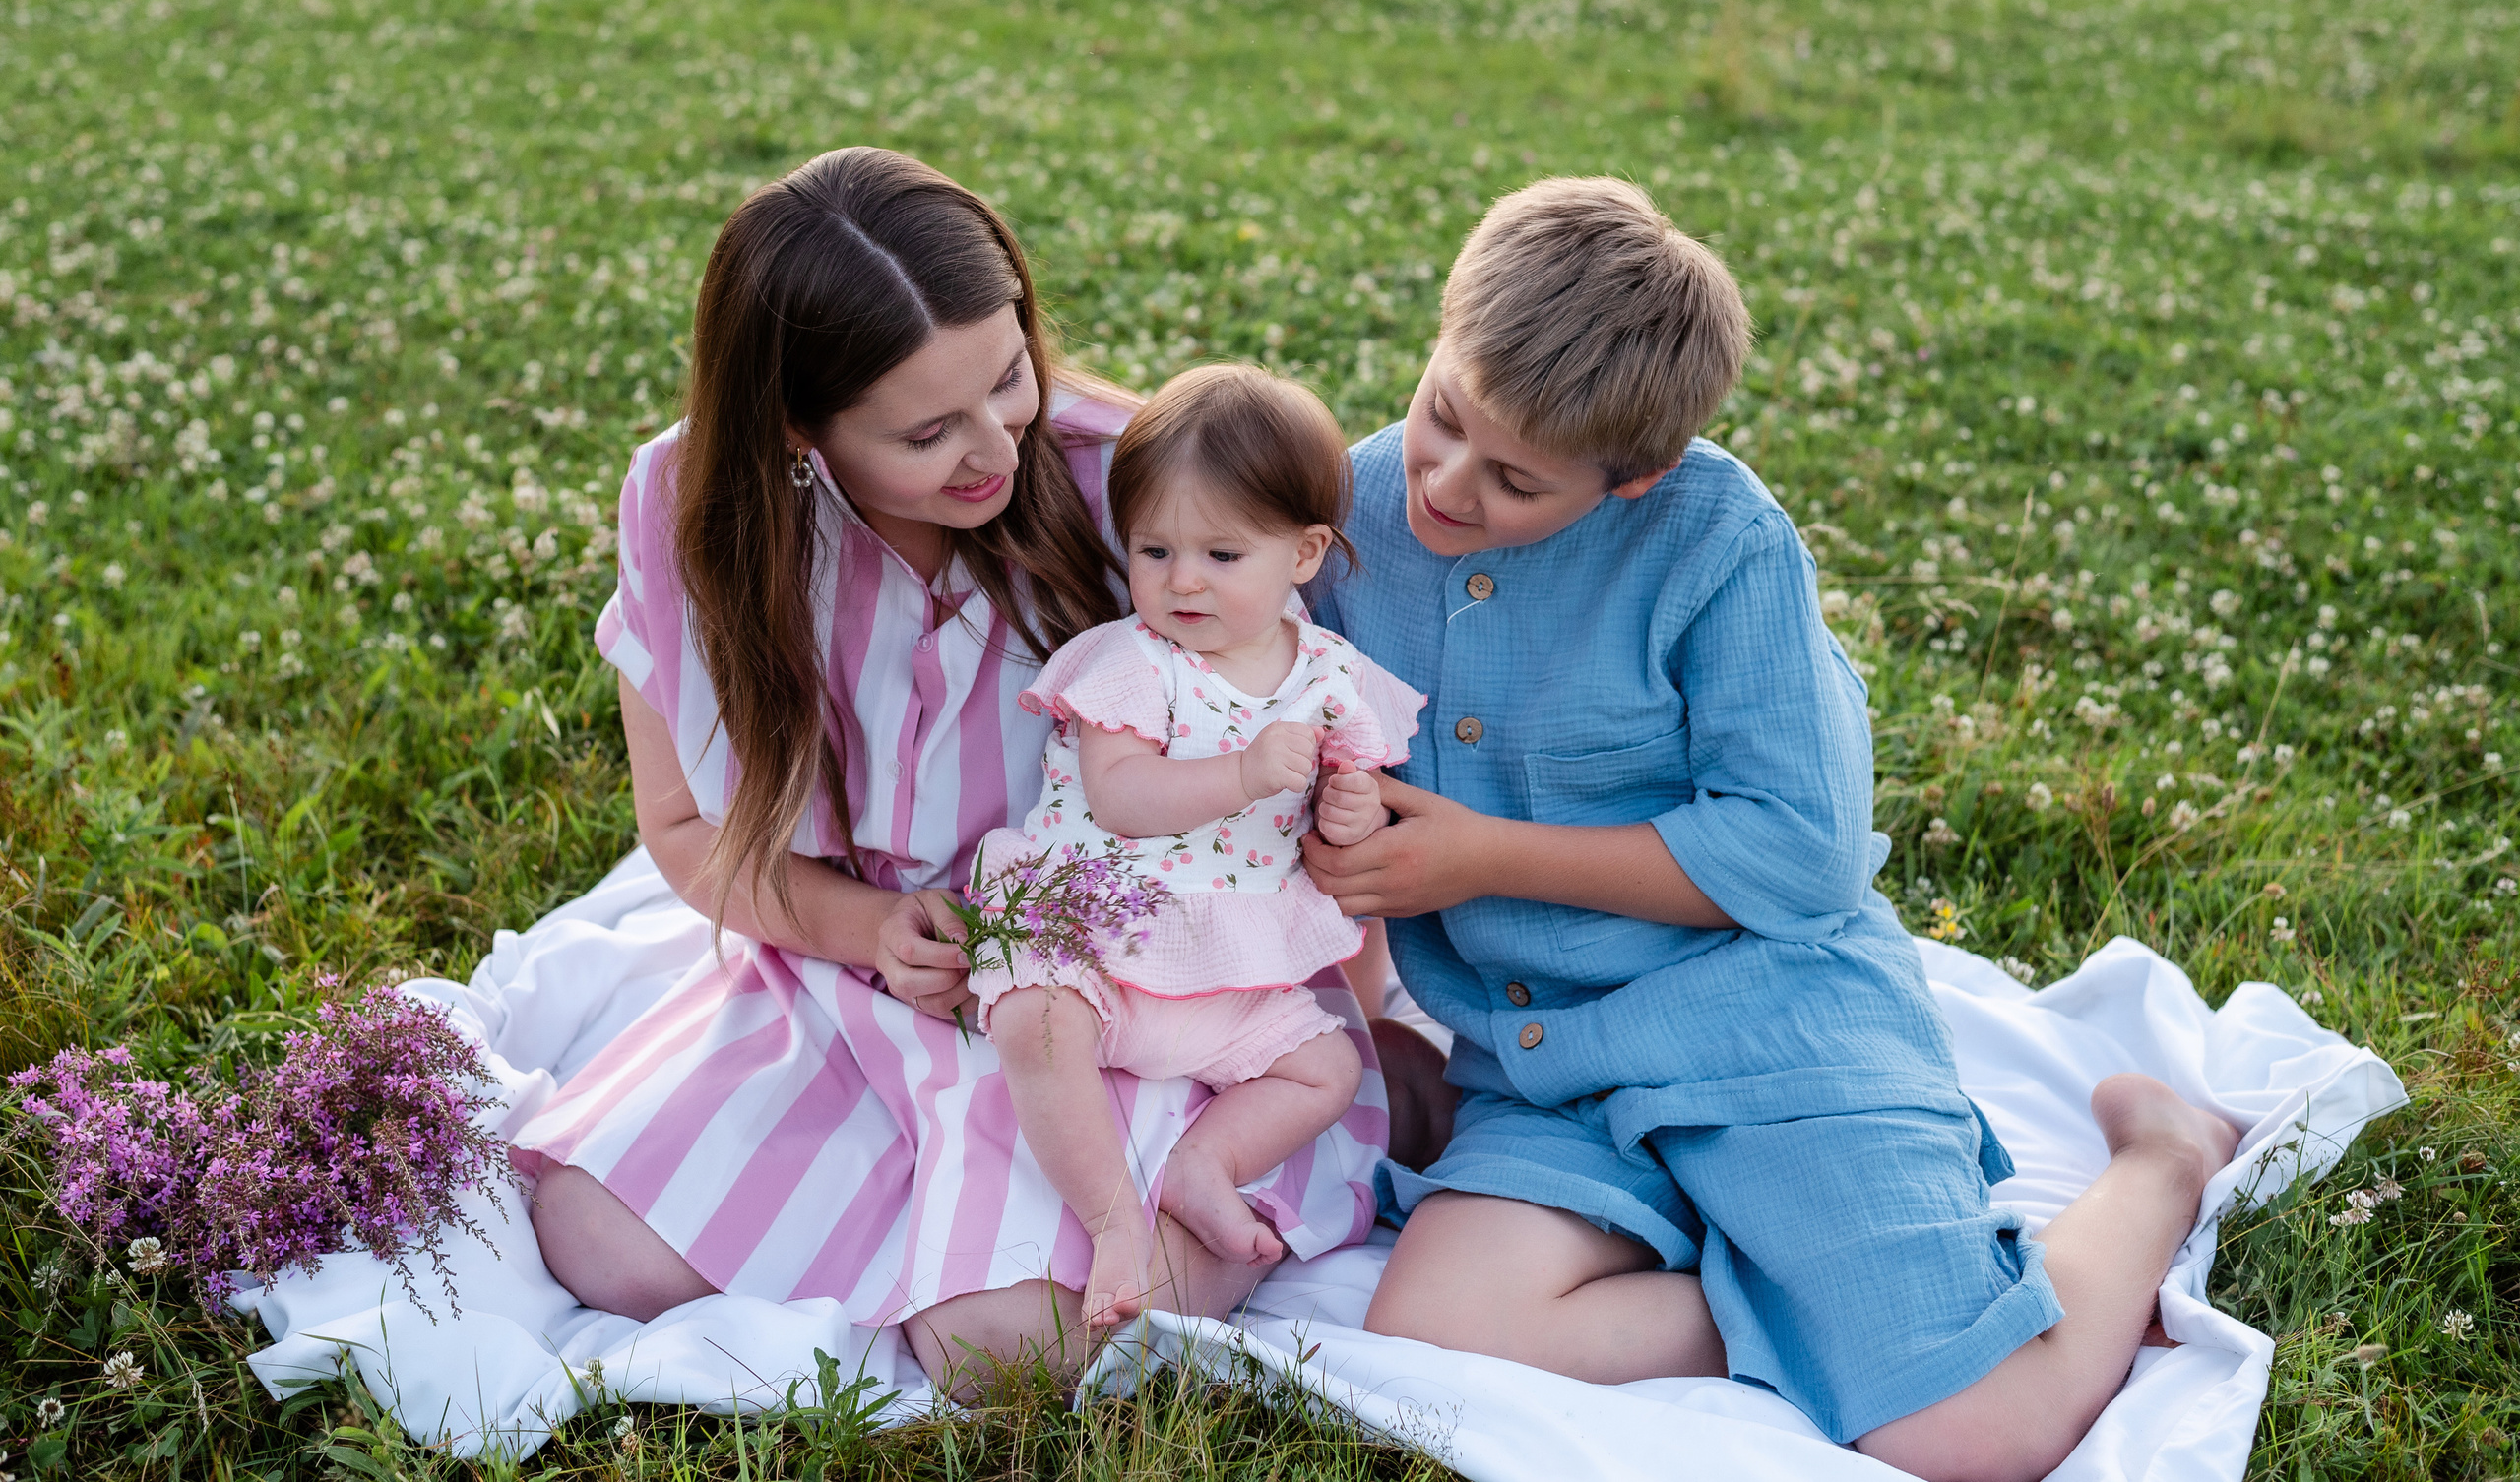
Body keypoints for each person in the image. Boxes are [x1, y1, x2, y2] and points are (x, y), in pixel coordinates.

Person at [1299, 177, 2241, 1482]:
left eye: (1515, 478)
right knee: (1441, 1324)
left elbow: (1793, 856)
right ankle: (1794, 1294)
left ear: (1635, 477)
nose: (1447, 484)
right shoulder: (1339, 519)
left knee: (1973, 1429)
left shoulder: (1723, 542)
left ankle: (2165, 1155)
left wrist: (1478, 857)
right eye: (1440, 415)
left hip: (1770, 1023)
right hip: (1548, 1055)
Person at [510, 148, 1391, 1391]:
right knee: (601, 1242)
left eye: (1010, 376)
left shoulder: (1125, 485)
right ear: (796, 431)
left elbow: (1306, 741)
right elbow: (683, 824)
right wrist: (865, 924)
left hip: (1134, 979)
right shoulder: (690, 503)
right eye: (928, 430)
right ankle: (909, 1215)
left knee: (1009, 1353)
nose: (994, 446)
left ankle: (1004, 1235)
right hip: (864, 972)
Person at [965, 365, 1423, 1330]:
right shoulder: (1131, 661)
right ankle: (1114, 1222)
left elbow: (1354, 800)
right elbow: (1120, 794)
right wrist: (1243, 775)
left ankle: (1206, 1161)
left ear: (1302, 553)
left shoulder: (1331, 677)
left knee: (1325, 1069)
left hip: (1228, 961)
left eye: (1220, 552)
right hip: (1093, 921)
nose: (1180, 579)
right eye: (1153, 548)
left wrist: (1344, 812)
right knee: (1034, 1024)